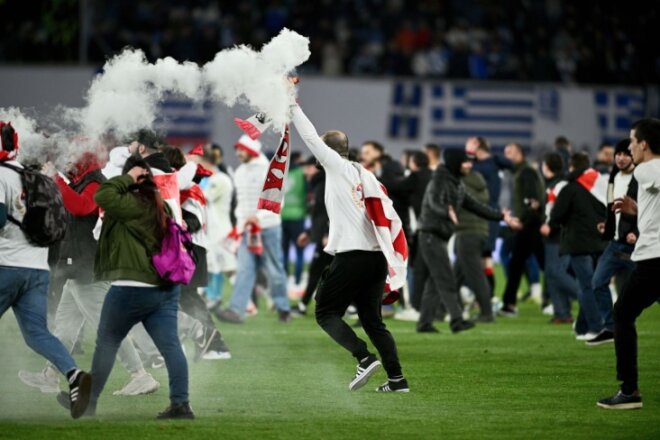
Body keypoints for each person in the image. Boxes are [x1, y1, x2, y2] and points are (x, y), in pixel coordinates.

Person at [291, 101, 409, 393]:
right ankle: (397, 380)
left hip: (353, 255)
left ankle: (364, 357)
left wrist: (291, 105)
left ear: (326, 152)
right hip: (375, 257)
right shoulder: (362, 173)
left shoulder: (336, 167)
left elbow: (308, 136)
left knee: (325, 312)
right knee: (372, 321)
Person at [18, 152, 160, 396]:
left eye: (73, 157)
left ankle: (140, 375)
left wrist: (55, 178)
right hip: (78, 268)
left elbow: (82, 207)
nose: (68, 159)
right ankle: (51, 375)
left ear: (84, 161)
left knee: (108, 329)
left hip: (88, 269)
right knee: (65, 328)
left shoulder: (96, 181)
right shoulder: (82, 182)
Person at [80, 156, 193, 419]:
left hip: (132, 287)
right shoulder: (160, 204)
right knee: (171, 347)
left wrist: (129, 176)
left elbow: (103, 195)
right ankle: (181, 404)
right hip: (164, 289)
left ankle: (89, 403)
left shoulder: (131, 204)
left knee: (106, 343)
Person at [0, 121, 91, 419]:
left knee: (36, 333)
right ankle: (73, 373)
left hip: (6, 266)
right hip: (37, 270)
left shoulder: (0, 176)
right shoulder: (36, 177)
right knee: (37, 333)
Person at [416, 149, 520, 333]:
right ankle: (456, 320)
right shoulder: (439, 180)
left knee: (435, 281)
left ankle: (424, 323)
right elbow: (433, 202)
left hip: (437, 236)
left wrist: (501, 217)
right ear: (456, 163)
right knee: (446, 279)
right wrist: (447, 212)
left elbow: (476, 206)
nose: (470, 165)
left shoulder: (458, 184)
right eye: (466, 162)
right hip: (430, 235)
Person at [598, 118, 660, 410]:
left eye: (632, 141)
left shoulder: (647, 169)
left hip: (653, 260)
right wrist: (637, 209)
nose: (629, 147)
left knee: (622, 314)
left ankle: (629, 390)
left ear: (644, 144)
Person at [216, 135, 291, 323]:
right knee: (244, 270)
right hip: (248, 230)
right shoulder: (240, 172)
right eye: (237, 149)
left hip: (269, 227)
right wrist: (240, 226)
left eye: (241, 149)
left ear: (250, 150)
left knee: (274, 270)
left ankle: (283, 309)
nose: (238, 153)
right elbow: (240, 204)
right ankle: (236, 311)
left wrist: (258, 218)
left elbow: (278, 202)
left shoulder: (270, 170)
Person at [542, 152, 608, 340]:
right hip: (600, 242)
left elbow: (557, 216)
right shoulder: (600, 184)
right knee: (590, 284)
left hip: (578, 243)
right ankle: (581, 326)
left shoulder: (570, 188)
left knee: (586, 286)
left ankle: (596, 327)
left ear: (571, 167)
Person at [588, 139, 638, 346]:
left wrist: (636, 232)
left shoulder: (642, 178)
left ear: (634, 156)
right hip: (616, 245)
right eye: (618, 153)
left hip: (638, 247)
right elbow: (611, 207)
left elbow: (652, 211)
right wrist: (607, 227)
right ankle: (610, 328)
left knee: (653, 290)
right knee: (597, 282)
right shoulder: (613, 177)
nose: (620, 157)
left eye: (626, 153)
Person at [499, 143, 546, 316]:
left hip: (530, 225)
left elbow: (532, 202)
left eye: (509, 152)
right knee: (518, 263)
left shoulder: (525, 172)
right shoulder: (520, 172)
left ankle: (510, 304)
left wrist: (521, 221)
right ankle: (509, 304)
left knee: (545, 265)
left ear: (518, 154)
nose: (506, 156)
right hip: (528, 224)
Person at [454, 157, 495, 322]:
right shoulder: (478, 179)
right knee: (454, 276)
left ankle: (487, 313)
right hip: (479, 230)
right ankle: (452, 309)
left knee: (476, 275)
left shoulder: (460, 181)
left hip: (467, 231)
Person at [540, 151, 579, 324]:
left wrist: (551, 225)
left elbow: (561, 209)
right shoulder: (554, 184)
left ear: (546, 166)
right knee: (552, 273)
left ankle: (589, 300)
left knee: (557, 272)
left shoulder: (560, 184)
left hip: (559, 235)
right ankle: (562, 312)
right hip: (555, 235)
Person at [294, 156, 331, 315]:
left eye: (308, 167)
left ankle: (303, 305)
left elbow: (331, 212)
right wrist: (309, 233)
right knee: (326, 273)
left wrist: (327, 234)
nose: (305, 171)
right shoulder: (318, 185)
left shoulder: (323, 186)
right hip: (324, 237)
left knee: (316, 271)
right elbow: (319, 215)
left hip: (328, 238)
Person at [281, 151, 308, 289]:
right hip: (298, 216)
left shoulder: (282, 172)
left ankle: (285, 279)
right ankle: (297, 281)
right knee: (299, 251)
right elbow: (308, 193)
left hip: (282, 215)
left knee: (284, 251)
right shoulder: (302, 174)